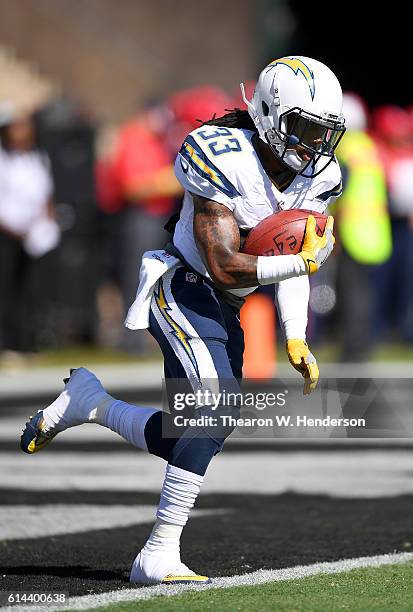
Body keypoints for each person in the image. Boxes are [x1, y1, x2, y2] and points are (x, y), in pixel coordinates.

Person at [20, 56, 344, 585]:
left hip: (227, 305)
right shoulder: (222, 154)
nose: (313, 144)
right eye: (303, 128)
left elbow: (293, 253)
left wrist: (295, 335)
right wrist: (302, 261)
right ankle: (158, 552)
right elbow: (225, 262)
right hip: (182, 289)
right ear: (267, 113)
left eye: (323, 132)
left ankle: (92, 403)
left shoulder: (319, 176)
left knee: (197, 431)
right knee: (212, 411)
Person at [0, 105, 59, 365]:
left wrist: (45, 219)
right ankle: (6, 343)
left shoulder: (37, 157)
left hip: (33, 236)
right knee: (6, 289)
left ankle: (27, 342)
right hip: (6, 233)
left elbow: (44, 192)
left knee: (30, 290)